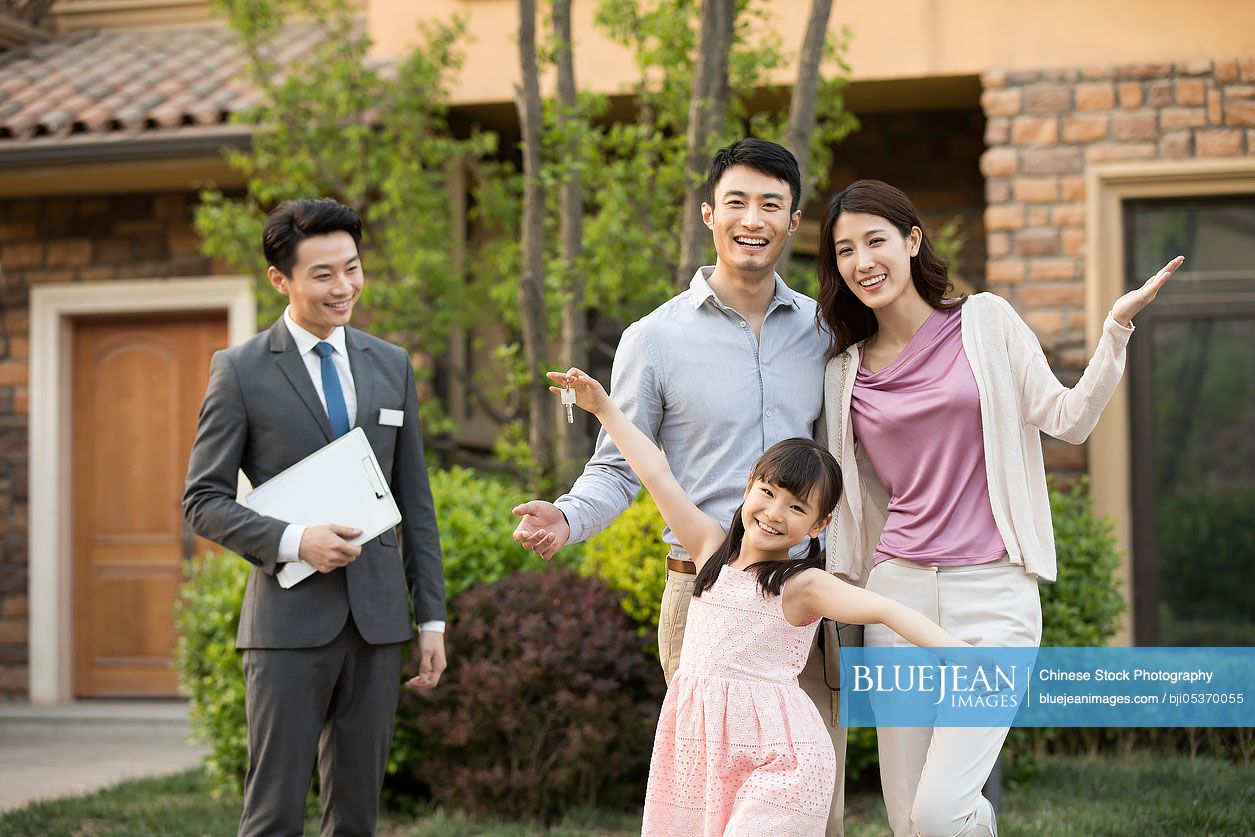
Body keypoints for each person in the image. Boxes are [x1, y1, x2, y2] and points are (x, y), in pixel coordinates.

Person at [815, 179, 1181, 836]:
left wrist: (1114, 329)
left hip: (993, 598)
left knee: (939, 810)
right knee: (906, 817)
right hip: (895, 600)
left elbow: (1066, 420)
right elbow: (850, 498)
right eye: (845, 250)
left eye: (875, 240)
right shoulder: (842, 369)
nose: (862, 261)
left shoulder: (984, 322)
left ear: (911, 240)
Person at [511, 138, 853, 834]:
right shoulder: (654, 338)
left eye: (770, 204)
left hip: (800, 605)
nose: (750, 218)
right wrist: (567, 517)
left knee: (811, 806)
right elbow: (618, 466)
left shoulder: (824, 333)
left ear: (793, 223)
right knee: (710, 811)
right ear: (707, 213)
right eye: (735, 201)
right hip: (706, 605)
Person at [547, 367, 965, 836]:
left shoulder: (802, 585)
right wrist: (603, 407)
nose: (773, 513)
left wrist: (964, 656)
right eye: (767, 493)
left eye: (797, 507)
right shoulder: (708, 549)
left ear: (819, 524)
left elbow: (887, 610)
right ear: (749, 485)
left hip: (781, 761)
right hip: (699, 751)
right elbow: (656, 471)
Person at [183, 198, 447, 837]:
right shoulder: (240, 370)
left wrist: (431, 617)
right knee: (273, 816)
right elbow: (203, 500)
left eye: (352, 268)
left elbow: (415, 502)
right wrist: (296, 540)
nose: (344, 287)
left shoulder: (391, 363)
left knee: (356, 817)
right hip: (287, 627)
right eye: (323, 274)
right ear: (281, 280)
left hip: (379, 622)